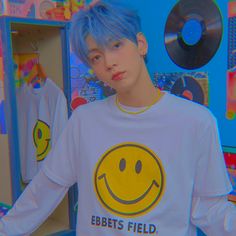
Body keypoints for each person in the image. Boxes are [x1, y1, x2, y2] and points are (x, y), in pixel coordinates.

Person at [1, 0, 236, 235]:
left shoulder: (196, 121)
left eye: (116, 45)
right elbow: (44, 190)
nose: (109, 62)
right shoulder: (84, 120)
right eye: (96, 57)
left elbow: (208, 210)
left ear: (141, 44)